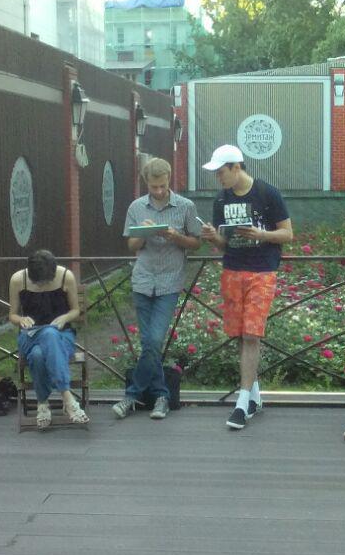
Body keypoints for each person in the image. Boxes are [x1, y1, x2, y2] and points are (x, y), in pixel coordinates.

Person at [199, 144, 293, 431]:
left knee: (252, 334)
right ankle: (254, 396)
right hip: (232, 270)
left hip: (262, 271)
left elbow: (288, 234)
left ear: (236, 167)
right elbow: (224, 244)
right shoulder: (221, 199)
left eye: (221, 172)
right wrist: (213, 236)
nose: (218, 178)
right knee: (240, 334)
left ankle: (241, 403)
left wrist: (260, 234)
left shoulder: (267, 193)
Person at [111, 158, 203, 421]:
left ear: (169, 179)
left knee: (153, 340)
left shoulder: (185, 206)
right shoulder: (136, 207)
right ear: (146, 183)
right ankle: (161, 396)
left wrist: (176, 237)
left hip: (169, 282)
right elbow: (131, 245)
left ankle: (131, 395)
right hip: (142, 280)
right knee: (148, 344)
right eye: (154, 187)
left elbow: (196, 243)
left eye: (163, 185)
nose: (159, 191)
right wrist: (144, 233)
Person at [8, 249, 86, 428]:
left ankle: (42, 404)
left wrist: (65, 318)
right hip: (30, 335)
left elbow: (76, 310)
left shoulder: (66, 276)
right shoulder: (18, 280)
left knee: (38, 354)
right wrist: (21, 320)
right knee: (48, 334)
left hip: (62, 335)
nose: (42, 285)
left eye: (46, 282)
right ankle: (67, 397)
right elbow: (12, 315)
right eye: (39, 282)